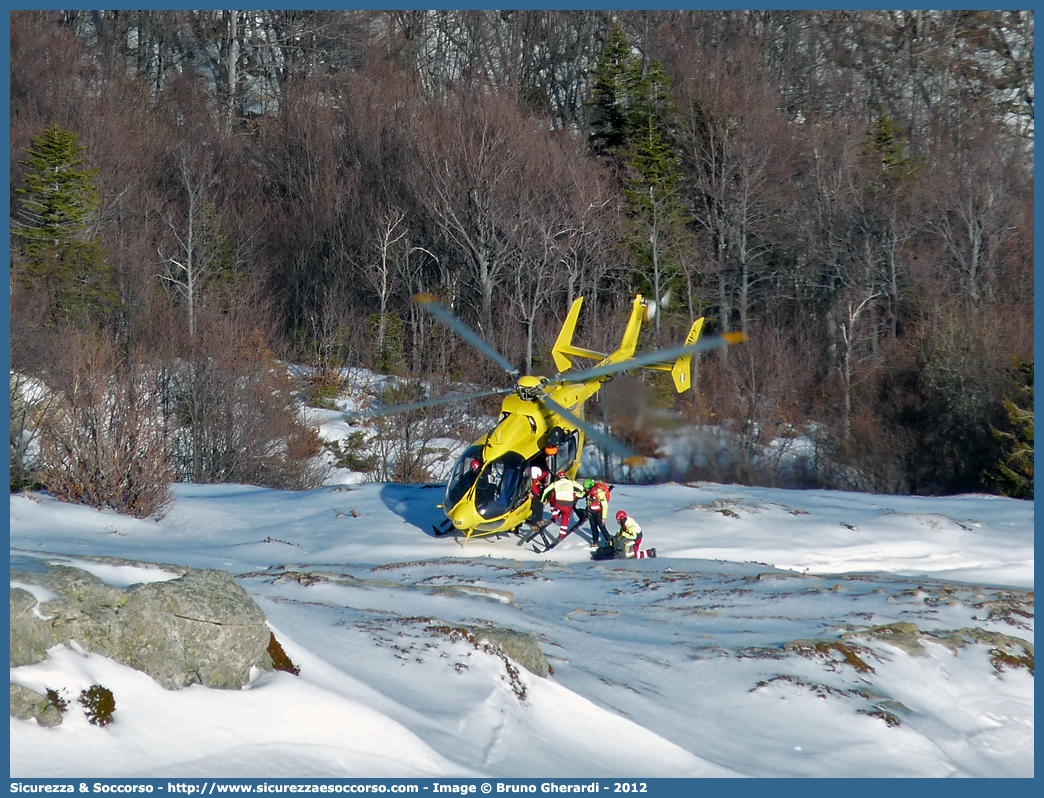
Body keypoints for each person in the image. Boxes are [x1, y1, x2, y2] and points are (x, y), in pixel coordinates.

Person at [541, 470, 584, 543]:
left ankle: (555, 516)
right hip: (569, 505)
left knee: (552, 499)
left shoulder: (555, 483)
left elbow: (546, 491)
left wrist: (542, 501)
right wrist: (577, 495)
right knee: (565, 518)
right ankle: (562, 535)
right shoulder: (571, 482)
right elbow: (582, 489)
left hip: (558, 504)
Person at [583, 479, 613, 549]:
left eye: (587, 489)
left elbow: (605, 505)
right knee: (593, 528)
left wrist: (604, 517)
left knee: (602, 528)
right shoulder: (589, 493)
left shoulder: (599, 492)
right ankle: (595, 542)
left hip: (599, 513)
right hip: (591, 512)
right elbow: (588, 501)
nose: (586, 490)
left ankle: (610, 541)